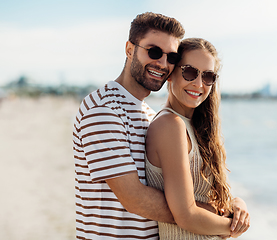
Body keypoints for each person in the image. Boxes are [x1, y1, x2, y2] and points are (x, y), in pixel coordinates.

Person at [73, 12, 249, 239]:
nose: (162, 63)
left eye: (171, 57)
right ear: (129, 49)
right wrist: (212, 214)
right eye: (153, 51)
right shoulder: (104, 110)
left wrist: (230, 203)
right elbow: (135, 198)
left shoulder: (147, 114)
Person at [145, 38, 250, 239]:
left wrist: (236, 204)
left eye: (208, 76)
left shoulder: (196, 127)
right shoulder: (170, 125)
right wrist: (232, 226)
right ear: (170, 73)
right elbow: (187, 215)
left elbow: (204, 198)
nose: (199, 84)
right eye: (190, 72)